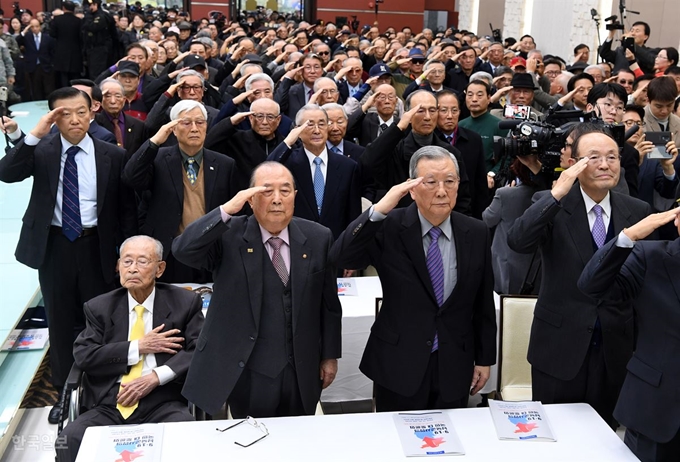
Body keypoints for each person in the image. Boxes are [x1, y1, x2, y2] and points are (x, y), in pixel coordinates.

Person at [0, 87, 136, 423]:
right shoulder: (42, 151)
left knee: (103, 320)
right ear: (53, 117)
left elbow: (125, 211)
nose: (74, 120)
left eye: (80, 111)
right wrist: (34, 134)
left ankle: (104, 389)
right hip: (55, 245)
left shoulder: (112, 155)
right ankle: (64, 391)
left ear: (93, 111)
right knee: (59, 322)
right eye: (64, 113)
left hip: (97, 246)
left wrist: (127, 252)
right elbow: (7, 172)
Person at [331, 146, 496, 411]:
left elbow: (483, 301)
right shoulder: (389, 226)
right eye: (430, 182)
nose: (442, 191)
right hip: (398, 362)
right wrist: (379, 209)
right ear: (411, 188)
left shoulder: (475, 231)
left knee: (449, 444)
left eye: (450, 181)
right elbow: (342, 257)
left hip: (455, 363)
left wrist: (484, 359)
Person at [507, 124, 651, 426]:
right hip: (560, 346)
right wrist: (558, 192)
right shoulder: (551, 203)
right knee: (558, 435)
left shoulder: (637, 210)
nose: (604, 164)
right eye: (594, 157)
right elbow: (518, 241)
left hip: (616, 347)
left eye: (612, 157)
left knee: (608, 437)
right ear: (573, 163)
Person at [171, 161, 342, 418]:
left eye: (285, 191)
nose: (276, 199)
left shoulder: (318, 237)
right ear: (250, 199)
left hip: (301, 368)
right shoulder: (229, 235)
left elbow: (329, 304)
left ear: (295, 196)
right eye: (266, 191)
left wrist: (329, 356)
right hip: (247, 369)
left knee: (299, 441)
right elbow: (183, 249)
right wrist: (227, 210)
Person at [56, 235, 205, 462]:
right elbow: (84, 355)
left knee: (184, 435)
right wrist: (138, 346)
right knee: (70, 439)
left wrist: (156, 377)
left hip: (163, 400)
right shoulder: (99, 307)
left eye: (142, 261)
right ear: (118, 266)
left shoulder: (184, 303)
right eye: (127, 261)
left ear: (160, 269)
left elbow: (200, 350)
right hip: (109, 401)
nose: (133, 269)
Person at [578, 206, 680, 462]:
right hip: (655, 409)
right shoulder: (650, 257)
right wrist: (629, 237)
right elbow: (591, 285)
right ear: (677, 219)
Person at [123, 100, 235, 283]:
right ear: (173, 129)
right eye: (186, 122)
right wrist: (154, 142)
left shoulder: (224, 164)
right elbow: (130, 177)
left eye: (200, 122)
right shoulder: (158, 159)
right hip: (169, 250)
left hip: (209, 249)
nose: (194, 128)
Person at [360, 90, 472, 213]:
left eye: (432, 110)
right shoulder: (395, 151)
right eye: (420, 111)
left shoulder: (450, 153)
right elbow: (367, 162)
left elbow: (462, 197)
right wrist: (399, 127)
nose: (428, 117)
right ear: (408, 114)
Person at [267, 104, 361, 239]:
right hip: (297, 241)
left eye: (322, 124)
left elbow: (353, 216)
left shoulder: (348, 166)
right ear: (297, 130)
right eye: (309, 125)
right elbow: (267, 171)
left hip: (336, 244)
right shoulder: (288, 164)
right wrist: (288, 142)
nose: (317, 131)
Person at [17, 18, 55, 101]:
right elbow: (17, 41)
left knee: (48, 89)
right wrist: (24, 31)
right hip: (33, 66)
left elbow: (52, 51)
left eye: (37, 26)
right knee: (36, 89)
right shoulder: (27, 37)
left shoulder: (47, 37)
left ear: (40, 27)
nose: (35, 29)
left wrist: (51, 64)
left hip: (46, 66)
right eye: (32, 27)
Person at [49, 0, 82, 88]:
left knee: (62, 76)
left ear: (63, 8)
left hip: (61, 52)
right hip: (76, 52)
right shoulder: (79, 21)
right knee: (75, 77)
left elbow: (52, 34)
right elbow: (82, 37)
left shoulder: (57, 20)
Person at [81, 0, 117, 79]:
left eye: (89, 5)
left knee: (97, 74)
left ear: (95, 5)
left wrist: (88, 16)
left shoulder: (101, 16)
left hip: (99, 48)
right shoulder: (93, 15)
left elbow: (93, 27)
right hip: (91, 48)